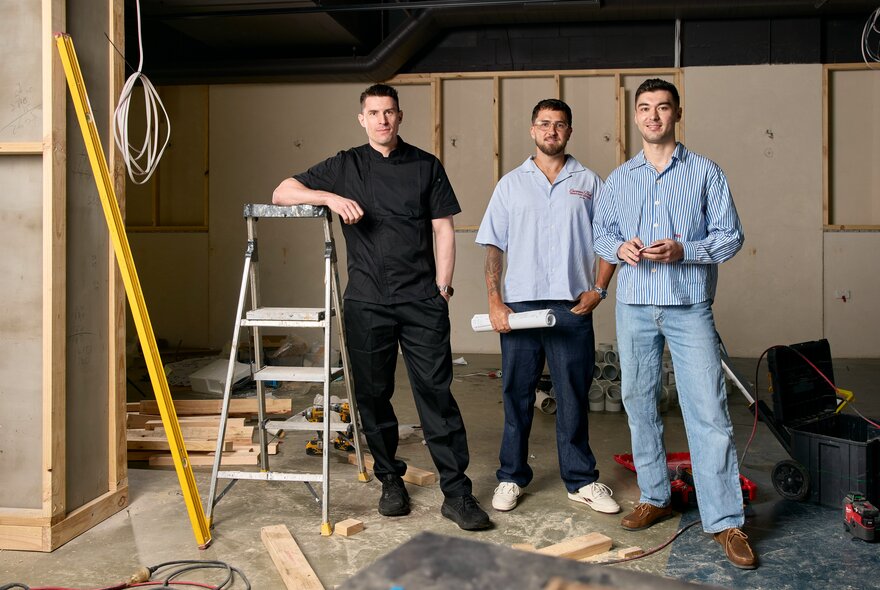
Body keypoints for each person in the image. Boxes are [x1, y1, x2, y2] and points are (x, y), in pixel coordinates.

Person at [272, 83, 490, 531]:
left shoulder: (425, 165)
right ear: (362, 119)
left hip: (421, 301)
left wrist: (442, 290)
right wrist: (329, 198)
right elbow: (282, 192)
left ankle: (457, 493)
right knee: (372, 396)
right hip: (367, 302)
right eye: (374, 113)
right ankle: (391, 480)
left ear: (400, 116)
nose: (382, 120)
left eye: (389, 112)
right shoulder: (345, 165)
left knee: (436, 394)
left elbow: (444, 229)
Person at [592, 78, 756, 569]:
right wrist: (617, 249)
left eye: (662, 108)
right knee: (638, 402)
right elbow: (603, 235)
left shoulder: (706, 172)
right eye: (644, 108)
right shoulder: (619, 179)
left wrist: (687, 251)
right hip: (635, 307)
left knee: (707, 411)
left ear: (676, 114)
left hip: (689, 308)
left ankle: (726, 521)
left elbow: (731, 236)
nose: (653, 116)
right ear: (636, 117)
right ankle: (656, 496)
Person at [475, 99, 620, 515]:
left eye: (559, 124)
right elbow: (493, 247)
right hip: (519, 307)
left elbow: (609, 240)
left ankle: (581, 480)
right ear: (532, 130)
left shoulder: (590, 181)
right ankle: (510, 476)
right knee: (516, 393)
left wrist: (599, 289)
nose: (551, 130)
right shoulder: (510, 184)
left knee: (572, 393)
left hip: (571, 306)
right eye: (544, 123)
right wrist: (494, 300)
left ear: (569, 131)